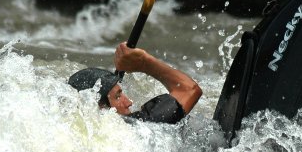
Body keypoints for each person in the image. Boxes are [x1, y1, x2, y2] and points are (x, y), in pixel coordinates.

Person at [68, 42, 202, 124]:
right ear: (100, 108)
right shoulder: (138, 126)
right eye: (118, 97)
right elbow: (189, 89)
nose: (129, 103)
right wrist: (144, 63)